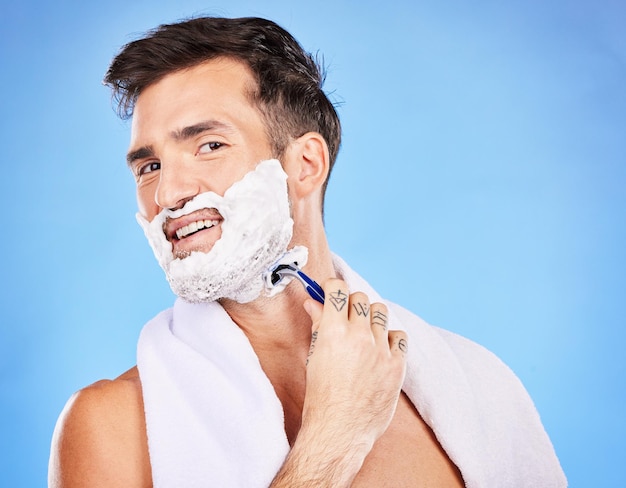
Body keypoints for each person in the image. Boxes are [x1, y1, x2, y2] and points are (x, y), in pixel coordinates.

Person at [48, 16, 566, 487]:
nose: (166, 195)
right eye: (149, 167)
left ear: (305, 165)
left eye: (209, 145)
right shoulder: (110, 429)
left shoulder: (481, 392)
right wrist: (330, 442)